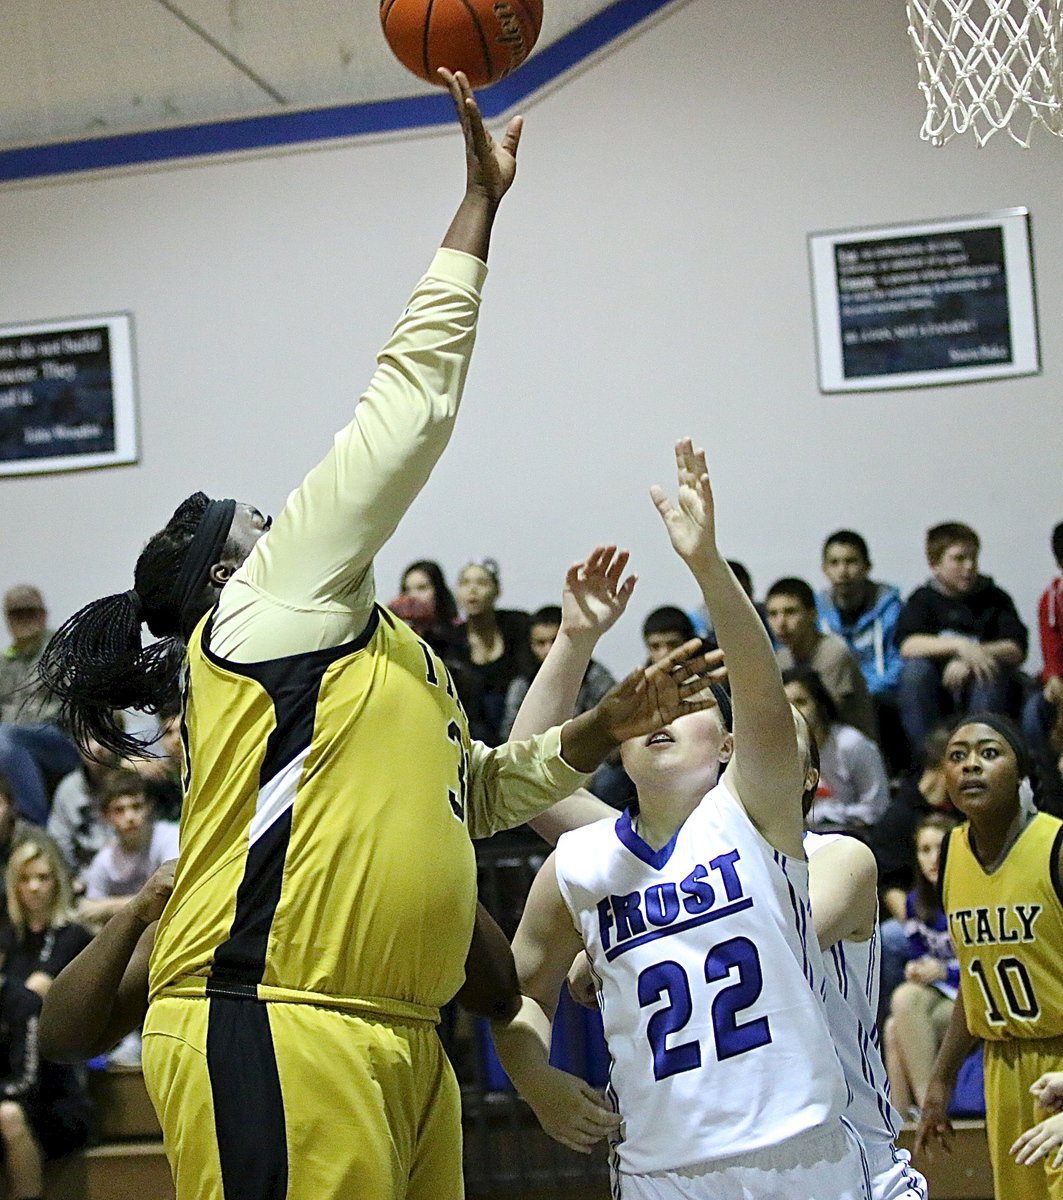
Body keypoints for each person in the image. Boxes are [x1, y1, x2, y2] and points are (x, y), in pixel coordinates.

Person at [35, 74, 721, 1200]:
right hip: (276, 1017)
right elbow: (408, 408)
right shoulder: (261, 611)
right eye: (265, 521)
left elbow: (476, 794)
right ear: (228, 573)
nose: (293, 518)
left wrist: (600, 725)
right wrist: (475, 212)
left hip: (401, 1034)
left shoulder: (377, 656)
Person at [491, 442, 867, 1198]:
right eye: (646, 704)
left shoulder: (755, 822)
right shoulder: (586, 858)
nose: (663, 710)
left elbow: (764, 700)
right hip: (662, 1169)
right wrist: (574, 638)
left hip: (800, 1152)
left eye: (690, 702)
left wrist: (707, 566)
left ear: (732, 748)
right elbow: (524, 767)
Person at [916, 715, 1063, 1199]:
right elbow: (975, 985)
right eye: (957, 756)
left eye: (988, 753)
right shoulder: (953, 854)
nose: (971, 765)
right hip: (1003, 1069)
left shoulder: (1055, 847)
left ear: (1021, 772)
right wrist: (941, 1077)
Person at [896, 522, 1027, 754]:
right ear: (935, 564)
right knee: (914, 673)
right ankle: (930, 759)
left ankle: (980, 752)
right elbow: (908, 645)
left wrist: (973, 657)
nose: (969, 566)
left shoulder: (995, 597)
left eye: (973, 558)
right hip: (937, 689)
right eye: (959, 559)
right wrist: (961, 646)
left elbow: (1015, 647)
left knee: (987, 671)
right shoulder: (923, 598)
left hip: (983, 690)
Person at [499, 547, 628, 741]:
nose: (548, 650)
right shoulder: (522, 684)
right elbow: (509, 741)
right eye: (540, 643)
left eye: (554, 641)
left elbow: (617, 725)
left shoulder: (595, 675)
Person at [882, 812, 959, 1119]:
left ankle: (929, 1111)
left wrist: (944, 971)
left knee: (896, 1021)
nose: (933, 859)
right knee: (896, 1014)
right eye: (925, 850)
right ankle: (901, 1127)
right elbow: (921, 951)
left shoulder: (972, 895)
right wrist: (919, 969)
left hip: (975, 995)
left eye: (940, 848)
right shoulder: (916, 902)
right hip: (942, 993)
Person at [817, 531, 907, 771]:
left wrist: (864, 691)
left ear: (867, 567)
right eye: (835, 563)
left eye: (851, 562)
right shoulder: (816, 610)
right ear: (825, 569)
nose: (843, 571)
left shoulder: (891, 607)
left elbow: (899, 660)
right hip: (834, 695)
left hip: (881, 693)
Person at [0, 586, 80, 824]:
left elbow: (87, 704)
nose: (25, 620)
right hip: (13, 748)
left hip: (59, 743)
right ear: (7, 619)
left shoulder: (61, 653)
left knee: (5, 737)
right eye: (17, 614)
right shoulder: (4, 664)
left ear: (43, 615)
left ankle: (34, 822)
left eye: (31, 613)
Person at [782, 665, 890, 835]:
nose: (793, 712)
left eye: (801, 702)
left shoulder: (852, 744)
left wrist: (826, 814)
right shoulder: (779, 752)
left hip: (855, 836)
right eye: (786, 705)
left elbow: (877, 808)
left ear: (819, 705)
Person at [767, 577, 877, 741]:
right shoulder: (780, 659)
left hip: (845, 749)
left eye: (790, 612)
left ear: (812, 614)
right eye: (773, 614)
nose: (781, 622)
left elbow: (822, 716)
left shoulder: (834, 652)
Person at [78, 770, 180, 932]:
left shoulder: (171, 838)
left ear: (149, 806)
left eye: (136, 806)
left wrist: (108, 907)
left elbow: (173, 896)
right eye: (119, 810)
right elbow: (89, 912)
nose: (130, 816)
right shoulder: (105, 860)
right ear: (106, 816)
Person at [451, 559, 532, 744]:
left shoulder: (519, 626)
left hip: (521, 725)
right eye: (465, 583)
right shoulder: (449, 641)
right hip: (471, 735)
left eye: (481, 583)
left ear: (497, 590)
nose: (473, 590)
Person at [0, 838, 91, 1002]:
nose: (34, 887)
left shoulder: (74, 933)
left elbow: (37, 989)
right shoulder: (9, 931)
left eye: (43, 877)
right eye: (24, 879)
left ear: (57, 882)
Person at [1023, 521, 1063, 800]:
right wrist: (1054, 677)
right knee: (1034, 711)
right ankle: (1048, 786)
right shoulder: (1052, 599)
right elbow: (1051, 647)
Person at [396, 560, 460, 655]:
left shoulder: (459, 632)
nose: (412, 596)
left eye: (422, 588)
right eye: (407, 590)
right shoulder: (399, 635)